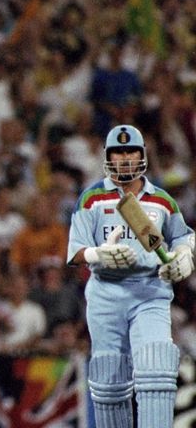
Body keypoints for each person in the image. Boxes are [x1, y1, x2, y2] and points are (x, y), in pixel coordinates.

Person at [67, 124, 195, 428]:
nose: (124, 159)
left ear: (142, 156)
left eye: (131, 152)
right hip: (105, 293)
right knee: (109, 381)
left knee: (155, 369)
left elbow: (183, 237)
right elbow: (76, 252)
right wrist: (99, 254)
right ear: (108, 157)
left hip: (150, 290)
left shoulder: (162, 200)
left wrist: (185, 258)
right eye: (118, 153)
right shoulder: (92, 198)